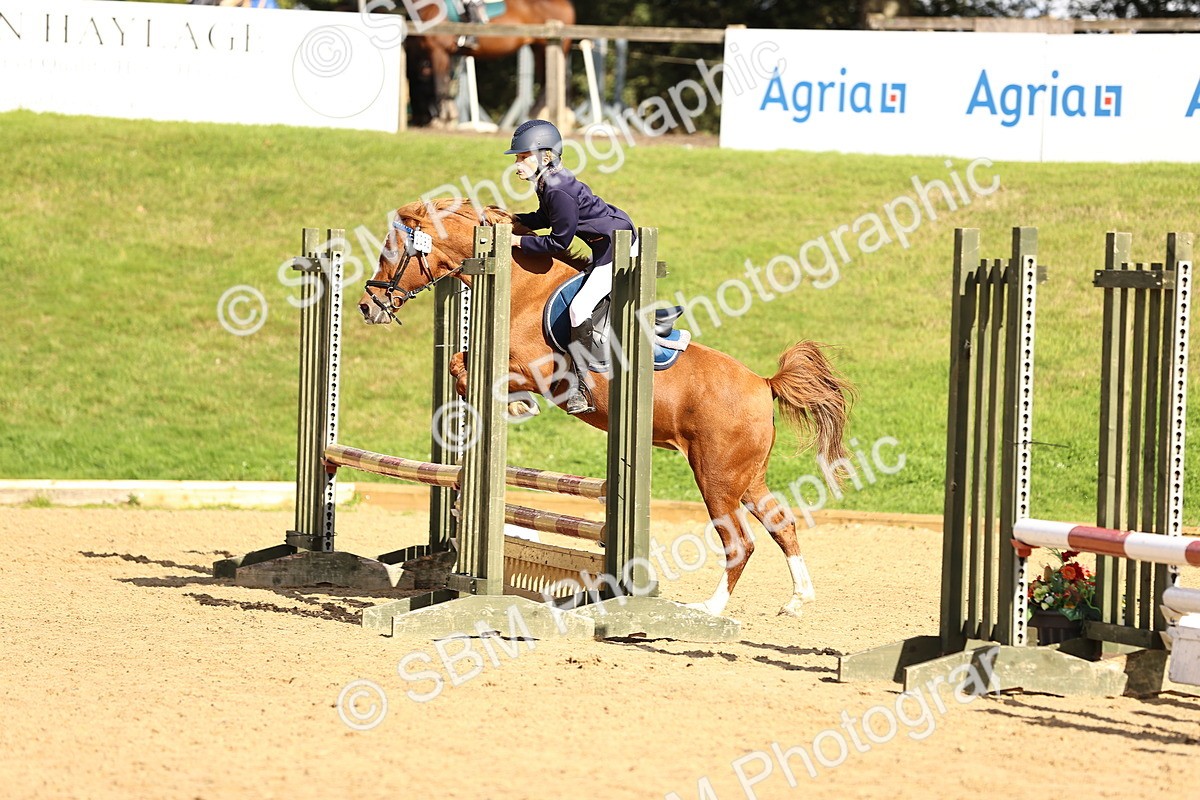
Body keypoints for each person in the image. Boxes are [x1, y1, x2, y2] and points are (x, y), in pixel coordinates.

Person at [504, 119, 636, 416]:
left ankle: (581, 384)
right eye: (517, 157)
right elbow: (544, 217)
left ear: (545, 156)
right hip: (605, 242)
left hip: (618, 248)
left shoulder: (557, 188)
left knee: (579, 308)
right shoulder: (547, 182)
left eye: (523, 157)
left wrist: (517, 242)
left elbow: (559, 242)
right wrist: (514, 219)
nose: (517, 164)